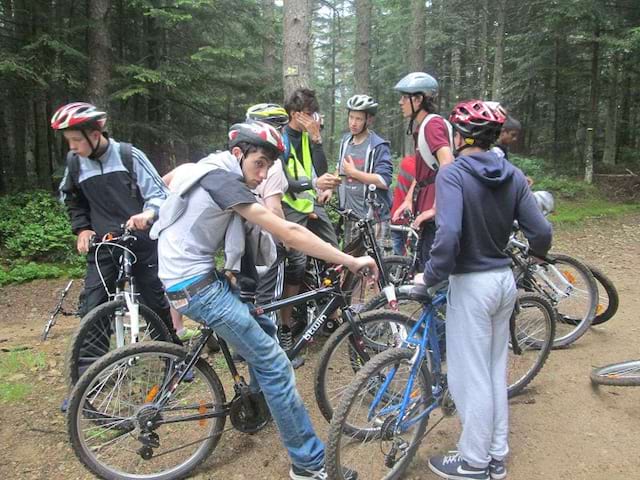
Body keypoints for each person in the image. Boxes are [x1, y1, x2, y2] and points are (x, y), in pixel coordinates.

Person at [151, 121, 375, 480]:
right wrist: (348, 260)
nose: (264, 173)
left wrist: (151, 215)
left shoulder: (206, 167)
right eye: (260, 163)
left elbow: (169, 179)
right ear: (238, 154)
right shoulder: (222, 181)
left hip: (193, 279)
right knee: (276, 366)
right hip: (197, 287)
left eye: (270, 166)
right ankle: (309, 464)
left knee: (264, 327)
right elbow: (286, 230)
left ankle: (257, 404)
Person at [422, 100, 552, 480]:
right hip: (503, 281)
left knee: (469, 376)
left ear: (461, 137)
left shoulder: (453, 174)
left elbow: (448, 236)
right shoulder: (512, 174)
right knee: (494, 371)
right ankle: (495, 453)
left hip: (472, 284)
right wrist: (539, 256)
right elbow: (541, 232)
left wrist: (429, 276)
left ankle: (473, 462)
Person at [53, 102, 172, 332]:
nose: (72, 146)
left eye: (76, 140)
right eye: (69, 140)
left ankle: (171, 358)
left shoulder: (129, 156)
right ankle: (90, 366)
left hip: (139, 241)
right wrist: (82, 228)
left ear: (95, 135)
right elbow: (70, 198)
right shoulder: (75, 164)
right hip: (103, 244)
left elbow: (160, 194)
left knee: (154, 303)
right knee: (92, 307)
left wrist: (148, 213)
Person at [279, 88, 341, 339]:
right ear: (295, 114)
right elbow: (287, 184)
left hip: (309, 203)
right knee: (297, 263)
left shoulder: (308, 136)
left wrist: (317, 140)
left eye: (315, 114)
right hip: (288, 205)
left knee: (335, 253)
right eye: (308, 114)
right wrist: (315, 185)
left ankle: (330, 312)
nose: (314, 119)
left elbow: (321, 170)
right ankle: (285, 324)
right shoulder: (280, 139)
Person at [390, 72, 455, 270]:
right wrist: (409, 200)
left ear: (418, 99)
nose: (401, 102)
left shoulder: (432, 125)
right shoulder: (423, 126)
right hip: (426, 204)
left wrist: (436, 208)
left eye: (404, 97)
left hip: (435, 210)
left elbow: (447, 163)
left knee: (433, 269)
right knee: (425, 264)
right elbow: (424, 174)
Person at [336, 94, 393, 246]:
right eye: (351, 117)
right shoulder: (345, 142)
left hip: (374, 219)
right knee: (352, 265)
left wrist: (354, 173)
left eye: (359, 119)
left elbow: (384, 181)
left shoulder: (378, 146)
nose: (353, 123)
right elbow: (340, 170)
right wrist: (329, 186)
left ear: (369, 120)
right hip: (351, 217)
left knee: (376, 264)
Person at [389, 154, 416, 255]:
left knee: (396, 260)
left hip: (396, 218)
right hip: (412, 223)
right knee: (414, 260)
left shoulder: (406, 161)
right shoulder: (424, 171)